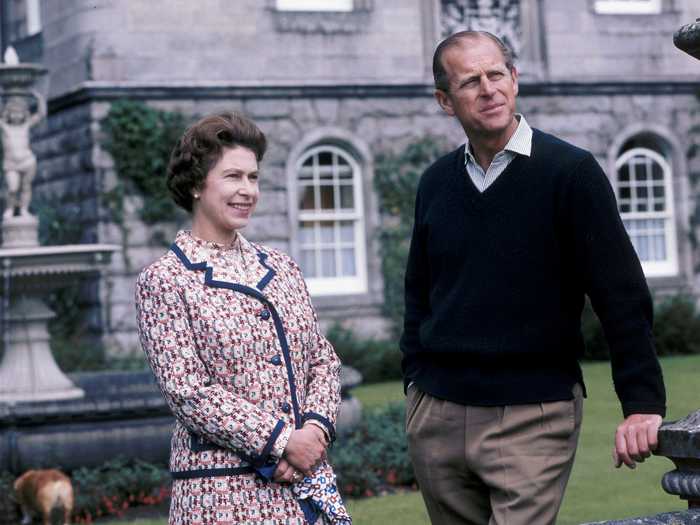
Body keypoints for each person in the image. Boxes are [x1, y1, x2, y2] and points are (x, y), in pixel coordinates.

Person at [401, 31, 666, 525]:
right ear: (444, 100)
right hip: (437, 413)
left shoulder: (571, 173)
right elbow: (419, 293)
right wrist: (415, 383)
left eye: (497, 74)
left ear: (515, 80)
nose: (489, 89)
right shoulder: (436, 182)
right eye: (470, 81)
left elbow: (621, 294)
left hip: (532, 413)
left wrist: (642, 403)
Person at [135, 112, 351, 525]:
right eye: (233, 176)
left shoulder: (282, 267)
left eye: (253, 178)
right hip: (221, 495)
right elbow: (189, 393)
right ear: (197, 183)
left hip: (304, 486)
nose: (247, 190)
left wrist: (314, 434)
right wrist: (283, 442)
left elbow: (322, 360)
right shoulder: (165, 280)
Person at [0, 92, 46, 218]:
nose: (16, 116)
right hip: (11, 163)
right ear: (8, 114)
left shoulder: (26, 126)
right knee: (12, 187)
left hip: (27, 161)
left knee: (26, 187)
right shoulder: (5, 127)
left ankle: (24, 209)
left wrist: (39, 98)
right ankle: (10, 208)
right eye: (13, 112)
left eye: (19, 113)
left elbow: (41, 115)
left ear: (24, 114)